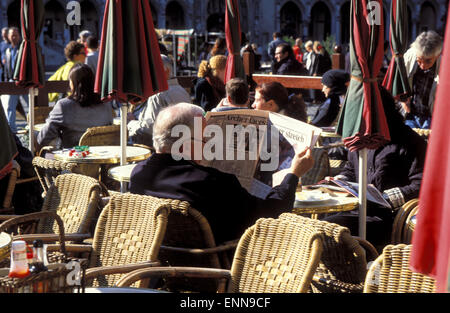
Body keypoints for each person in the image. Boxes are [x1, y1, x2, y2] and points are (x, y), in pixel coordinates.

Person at [129, 102, 314, 243]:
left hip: (159, 263)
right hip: (219, 268)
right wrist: (293, 174)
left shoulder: (139, 174)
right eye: (205, 139)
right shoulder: (211, 182)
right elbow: (271, 213)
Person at [323, 87, 427, 248]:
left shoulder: (410, 141)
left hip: (387, 218)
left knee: (330, 228)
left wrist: (382, 199)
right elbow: (351, 168)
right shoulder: (360, 140)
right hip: (355, 210)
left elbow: (421, 184)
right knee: (313, 225)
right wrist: (340, 181)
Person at [37, 63, 113, 150]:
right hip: (102, 156)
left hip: (73, 157)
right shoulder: (106, 104)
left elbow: (43, 138)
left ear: (73, 83)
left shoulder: (64, 106)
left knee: (35, 136)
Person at [127, 54, 191, 146]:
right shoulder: (181, 90)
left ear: (166, 71)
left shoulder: (158, 95)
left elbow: (150, 129)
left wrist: (131, 123)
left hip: (163, 149)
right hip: (181, 148)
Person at [401, 31, 443, 129]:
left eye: (428, 61)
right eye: (419, 60)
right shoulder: (410, 56)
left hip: (431, 116)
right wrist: (403, 100)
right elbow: (399, 80)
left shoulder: (444, 64)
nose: (423, 66)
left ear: (437, 56)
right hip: (410, 114)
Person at [1, 27, 28, 133]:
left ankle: (31, 125)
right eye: (12, 35)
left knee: (28, 106)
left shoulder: (23, 49)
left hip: (23, 82)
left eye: (16, 35)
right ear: (8, 36)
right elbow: (7, 68)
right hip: (11, 82)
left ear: (19, 36)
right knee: (10, 107)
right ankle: (11, 129)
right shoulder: (8, 50)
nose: (14, 37)